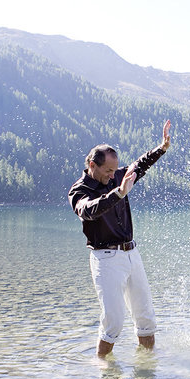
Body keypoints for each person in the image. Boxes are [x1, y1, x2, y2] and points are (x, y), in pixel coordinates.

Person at [68, 120, 171, 357]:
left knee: (146, 319)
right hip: (105, 259)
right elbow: (89, 211)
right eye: (108, 171)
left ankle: (147, 369)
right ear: (92, 165)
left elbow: (139, 164)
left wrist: (161, 148)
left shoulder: (117, 177)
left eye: (115, 171)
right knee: (113, 322)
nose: (113, 176)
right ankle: (105, 373)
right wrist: (119, 193)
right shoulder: (79, 191)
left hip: (131, 254)